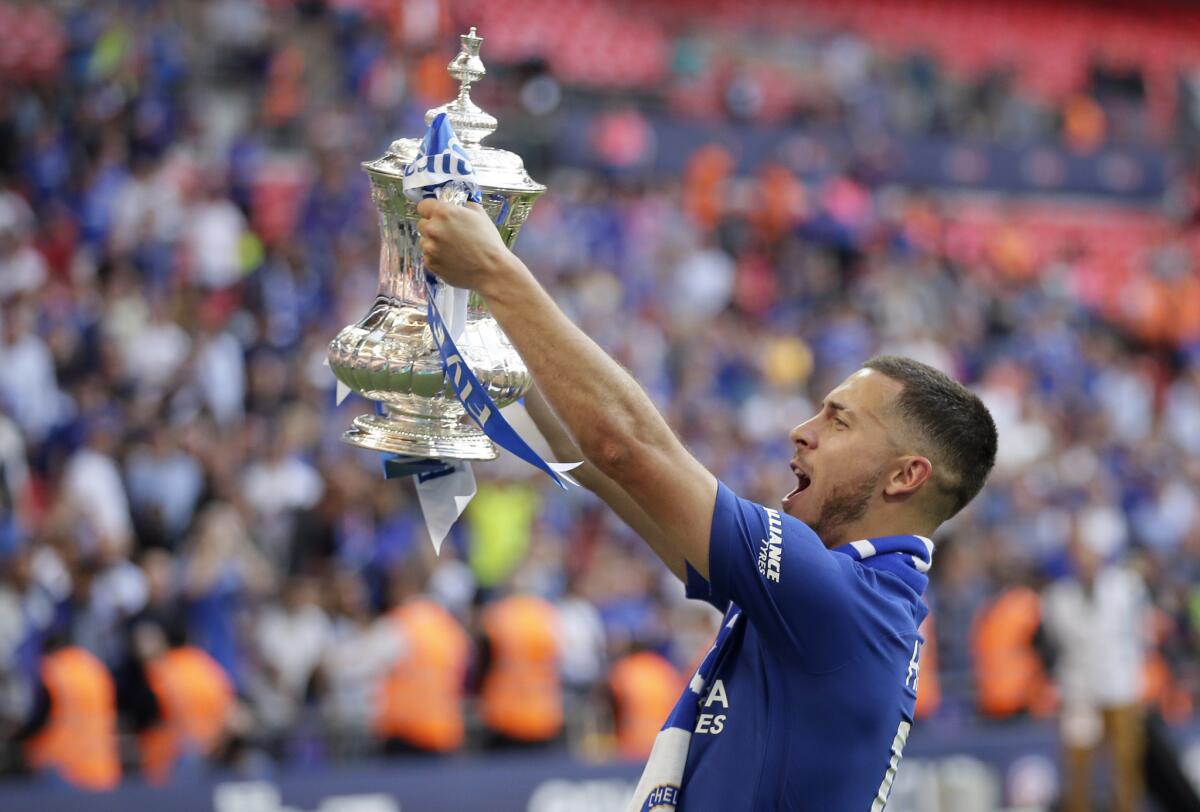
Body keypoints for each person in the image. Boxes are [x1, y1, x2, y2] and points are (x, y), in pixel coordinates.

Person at [416, 199, 998, 811]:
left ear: (905, 476)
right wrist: (485, 327)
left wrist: (494, 270)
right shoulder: (850, 600)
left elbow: (626, 450)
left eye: (840, 421)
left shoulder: (839, 600)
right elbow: (593, 462)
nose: (802, 431)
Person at [1043, 527, 1150, 812]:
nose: (1086, 562)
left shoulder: (1125, 587)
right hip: (1079, 689)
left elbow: (1141, 631)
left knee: (1125, 763)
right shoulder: (1058, 597)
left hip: (1119, 685)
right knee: (1078, 767)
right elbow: (1058, 642)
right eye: (1080, 556)